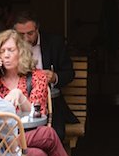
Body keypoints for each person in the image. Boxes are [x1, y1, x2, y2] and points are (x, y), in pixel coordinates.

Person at [13, 11, 76, 140]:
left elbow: (69, 73)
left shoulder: (54, 43)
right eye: (21, 34)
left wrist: (54, 77)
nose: (25, 38)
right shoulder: (10, 45)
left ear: (38, 29)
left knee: (56, 134)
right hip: (16, 102)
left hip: (50, 101)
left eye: (30, 33)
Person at [0, 29, 53, 119]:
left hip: (28, 130)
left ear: (21, 52)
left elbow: (38, 116)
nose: (6, 55)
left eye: (11, 50)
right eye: (2, 51)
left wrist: (20, 96)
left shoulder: (37, 77)